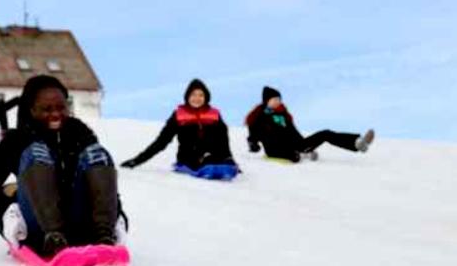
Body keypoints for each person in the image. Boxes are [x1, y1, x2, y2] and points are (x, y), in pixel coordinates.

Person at [0, 75, 125, 257]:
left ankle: (104, 236)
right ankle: (54, 238)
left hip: (82, 225)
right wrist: (8, 213)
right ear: (32, 110)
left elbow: (99, 182)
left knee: (96, 153)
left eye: (61, 107)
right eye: (47, 109)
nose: (56, 114)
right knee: (36, 152)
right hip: (38, 230)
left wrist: (118, 213)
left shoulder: (79, 133)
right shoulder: (17, 140)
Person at [120, 79, 237, 172]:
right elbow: (161, 141)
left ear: (206, 97)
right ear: (187, 97)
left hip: (213, 153)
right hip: (189, 157)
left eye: (201, 95)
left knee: (221, 129)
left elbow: (223, 139)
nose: (197, 98)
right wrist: (137, 161)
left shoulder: (214, 113)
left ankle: (221, 160)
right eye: (193, 95)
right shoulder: (179, 115)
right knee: (206, 159)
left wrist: (228, 157)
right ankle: (208, 161)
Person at [246, 86, 375, 162]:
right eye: (274, 99)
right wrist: (253, 144)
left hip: (296, 145)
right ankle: (303, 155)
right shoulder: (259, 116)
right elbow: (253, 134)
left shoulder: (283, 115)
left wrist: (305, 145)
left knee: (325, 133)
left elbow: (293, 132)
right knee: (294, 156)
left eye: (279, 99)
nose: (278, 102)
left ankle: (357, 142)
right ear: (266, 101)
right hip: (276, 150)